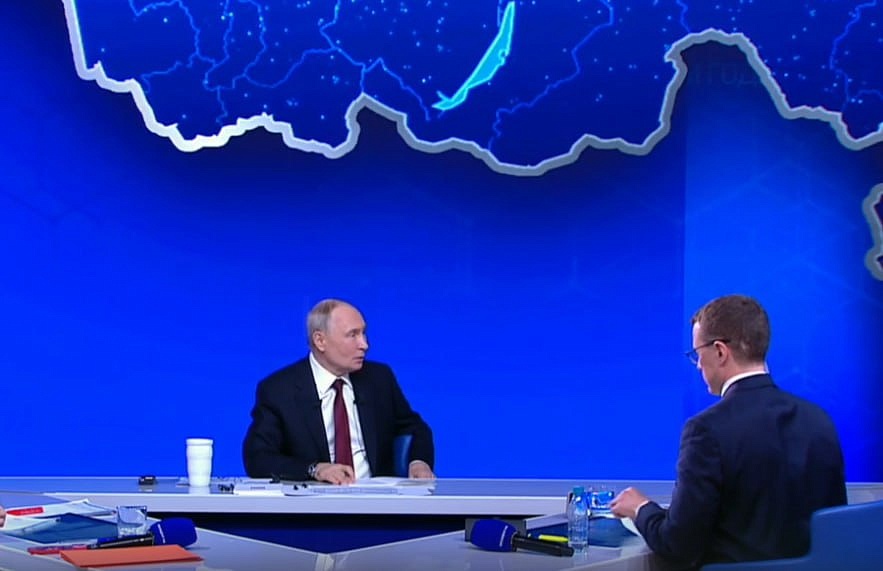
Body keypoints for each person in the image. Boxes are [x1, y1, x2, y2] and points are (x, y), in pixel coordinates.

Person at [610, 294, 846, 569]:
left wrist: (640, 508)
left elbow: (678, 545)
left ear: (720, 352)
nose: (699, 365)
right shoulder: (818, 420)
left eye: (698, 354)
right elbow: (833, 530)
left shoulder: (705, 431)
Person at [243, 299, 435, 484]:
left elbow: (415, 427)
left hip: (377, 498)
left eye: (363, 333)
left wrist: (418, 462)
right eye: (353, 335)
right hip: (315, 501)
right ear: (320, 340)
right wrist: (315, 469)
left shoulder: (378, 379)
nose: (364, 345)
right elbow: (258, 457)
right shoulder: (279, 390)